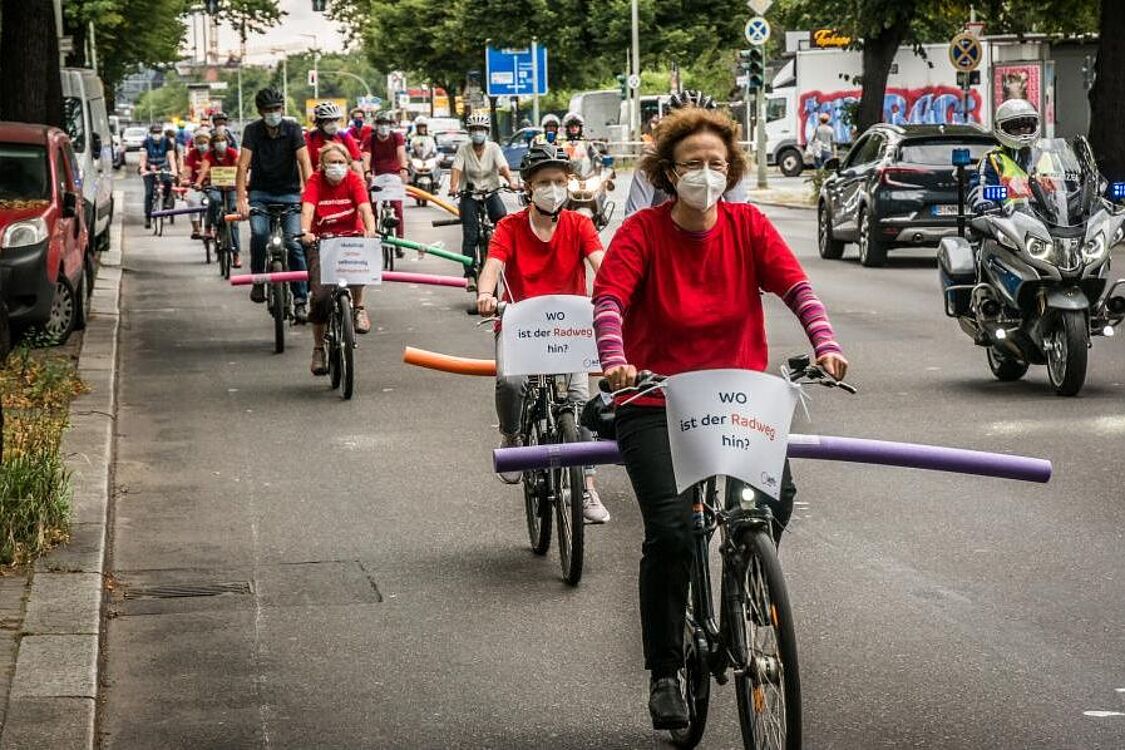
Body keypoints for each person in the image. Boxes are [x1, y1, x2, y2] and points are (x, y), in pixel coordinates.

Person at [591, 105, 848, 730]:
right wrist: (616, 361)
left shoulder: (749, 225)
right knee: (674, 532)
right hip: (655, 399)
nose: (706, 175)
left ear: (731, 170)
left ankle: (744, 575)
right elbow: (610, 300)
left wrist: (826, 343)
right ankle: (665, 671)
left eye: (716, 164)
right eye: (691, 166)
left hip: (736, 400)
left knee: (775, 500)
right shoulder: (642, 233)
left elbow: (797, 288)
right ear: (666, 174)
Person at [476, 145, 610, 523]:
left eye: (559, 181)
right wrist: (486, 294)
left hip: (571, 328)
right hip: (521, 325)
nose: (553, 189)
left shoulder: (580, 225)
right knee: (511, 382)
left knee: (582, 405)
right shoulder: (509, 226)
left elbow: (602, 265)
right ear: (528, 188)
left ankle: (587, 490)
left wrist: (618, 292)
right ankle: (513, 436)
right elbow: (493, 265)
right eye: (544, 182)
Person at [236, 87, 314, 320]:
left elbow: (304, 162)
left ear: (282, 109)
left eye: (277, 109)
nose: (273, 113)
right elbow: (242, 166)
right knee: (259, 234)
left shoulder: (292, 129)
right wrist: (242, 199)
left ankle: (301, 299)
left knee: (294, 242)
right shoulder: (252, 131)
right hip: (260, 193)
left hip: (289, 194)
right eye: (269, 110)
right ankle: (258, 280)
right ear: (261, 111)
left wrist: (309, 195)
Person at [300, 142, 378, 375]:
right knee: (321, 297)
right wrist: (306, 232)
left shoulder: (354, 180)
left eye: (340, 162)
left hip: (350, 238)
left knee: (359, 266)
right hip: (321, 241)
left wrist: (370, 229)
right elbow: (307, 210)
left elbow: (365, 208)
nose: (336, 167)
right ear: (322, 165)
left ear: (347, 164)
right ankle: (318, 349)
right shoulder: (315, 181)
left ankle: (359, 308)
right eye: (331, 163)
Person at [624, 90, 747, 217]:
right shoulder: (651, 158)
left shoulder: (728, 160)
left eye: (715, 163)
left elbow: (741, 209)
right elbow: (634, 215)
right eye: (692, 163)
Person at [448, 112, 516, 291]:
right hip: (469, 195)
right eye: (474, 129)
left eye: (481, 129)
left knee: (502, 220)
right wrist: (453, 186)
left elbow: (503, 167)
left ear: (486, 131)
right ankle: (469, 274)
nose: (478, 132)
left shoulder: (493, 148)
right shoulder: (464, 149)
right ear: (470, 132)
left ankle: (507, 263)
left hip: (491, 192)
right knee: (470, 234)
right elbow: (456, 168)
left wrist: (512, 182)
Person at [975, 98, 1040, 211]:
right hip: (1010, 221)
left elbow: (1066, 188)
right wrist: (984, 200)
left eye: (1027, 125)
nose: (1023, 131)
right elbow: (982, 187)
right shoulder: (993, 159)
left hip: (1048, 220)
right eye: (1015, 127)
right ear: (1002, 128)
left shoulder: (1046, 156)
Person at [196, 127, 243, 267]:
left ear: (227, 142)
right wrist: (198, 183)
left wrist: (244, 183)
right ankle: (209, 226)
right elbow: (204, 170)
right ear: (212, 143)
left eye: (222, 140)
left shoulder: (232, 153)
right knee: (214, 200)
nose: (220, 143)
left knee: (233, 221)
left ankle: (236, 254)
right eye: (216, 141)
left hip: (231, 187)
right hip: (215, 186)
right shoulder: (209, 156)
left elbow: (240, 168)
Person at [363, 111, 409, 243]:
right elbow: (366, 158)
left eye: (386, 124)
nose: (384, 127)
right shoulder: (370, 139)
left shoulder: (397, 137)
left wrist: (404, 169)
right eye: (381, 124)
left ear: (391, 125)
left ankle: (400, 239)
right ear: (376, 126)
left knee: (397, 207)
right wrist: (367, 172)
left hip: (394, 176)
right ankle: (373, 234)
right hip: (376, 176)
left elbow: (401, 154)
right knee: (371, 207)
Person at [305, 101, 364, 175]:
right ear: (319, 122)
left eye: (335, 120)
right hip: (317, 180)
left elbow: (356, 163)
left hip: (342, 179)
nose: (333, 124)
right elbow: (305, 164)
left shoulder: (344, 136)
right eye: (329, 120)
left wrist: (361, 183)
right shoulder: (310, 137)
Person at [138, 122, 178, 230]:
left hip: (163, 168)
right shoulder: (146, 142)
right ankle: (148, 216)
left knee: (168, 182)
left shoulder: (167, 142)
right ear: (151, 133)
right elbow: (142, 157)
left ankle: (165, 202)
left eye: (158, 132)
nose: (157, 134)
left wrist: (174, 170)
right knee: (149, 193)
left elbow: (171, 158)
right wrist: (142, 168)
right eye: (154, 132)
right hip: (148, 169)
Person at [180, 128, 211, 240]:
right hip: (195, 185)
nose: (202, 145)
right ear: (195, 143)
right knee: (192, 200)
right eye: (199, 143)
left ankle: (215, 227)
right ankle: (196, 228)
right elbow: (187, 169)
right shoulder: (192, 154)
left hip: (213, 185)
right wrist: (185, 179)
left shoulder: (214, 153)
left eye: (204, 142)